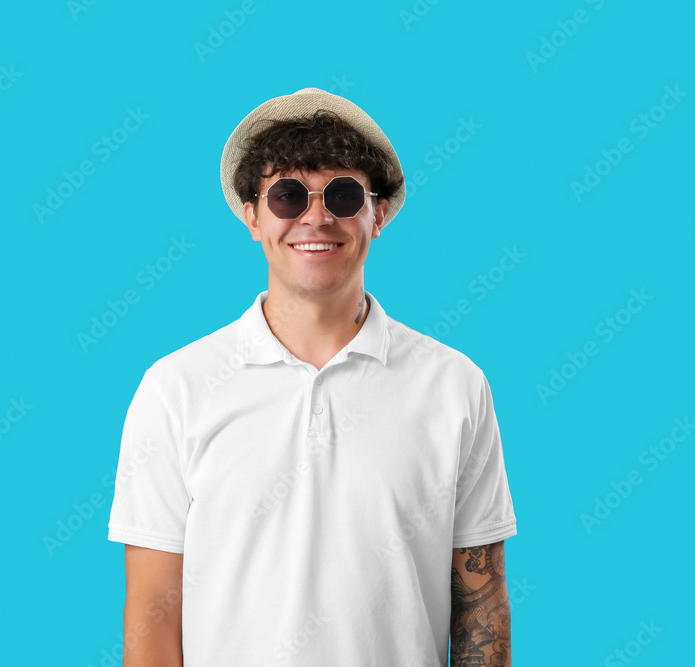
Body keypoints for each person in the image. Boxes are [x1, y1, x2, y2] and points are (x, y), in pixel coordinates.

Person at [107, 88, 517, 666]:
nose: (316, 217)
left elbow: (480, 602)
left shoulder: (454, 386)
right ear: (252, 215)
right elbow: (152, 609)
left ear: (377, 215)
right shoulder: (176, 388)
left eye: (344, 195)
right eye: (288, 195)